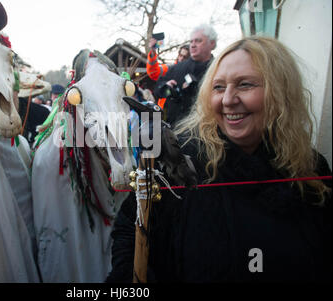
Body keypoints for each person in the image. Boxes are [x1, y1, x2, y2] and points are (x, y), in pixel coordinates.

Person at [107, 36, 331, 282]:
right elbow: (131, 229)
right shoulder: (178, 161)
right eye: (219, 87)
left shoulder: (311, 170)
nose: (228, 100)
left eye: (245, 85)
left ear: (281, 92)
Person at [154, 24, 217, 127]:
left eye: (198, 41)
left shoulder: (219, 69)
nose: (192, 45)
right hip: (177, 130)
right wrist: (166, 87)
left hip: (208, 128)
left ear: (212, 43)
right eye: (191, 41)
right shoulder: (176, 68)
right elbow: (157, 90)